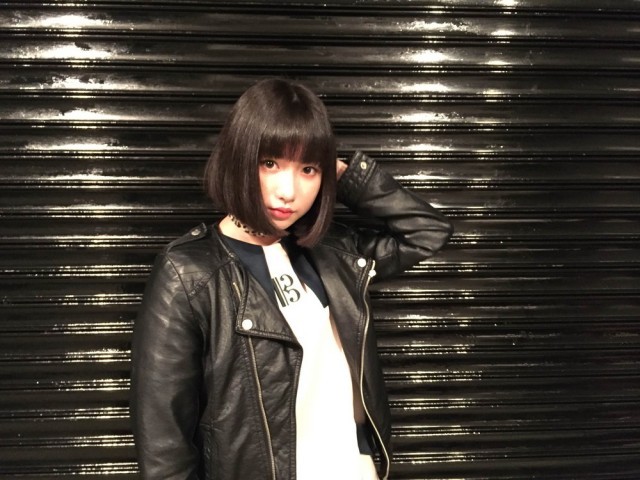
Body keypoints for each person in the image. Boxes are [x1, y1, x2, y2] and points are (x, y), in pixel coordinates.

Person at [130, 78, 453, 480]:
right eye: (270, 163)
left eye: (308, 170)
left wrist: (345, 177)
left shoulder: (333, 252)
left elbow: (428, 232)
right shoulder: (189, 273)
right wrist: (312, 163)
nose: (289, 191)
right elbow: (165, 451)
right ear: (238, 157)